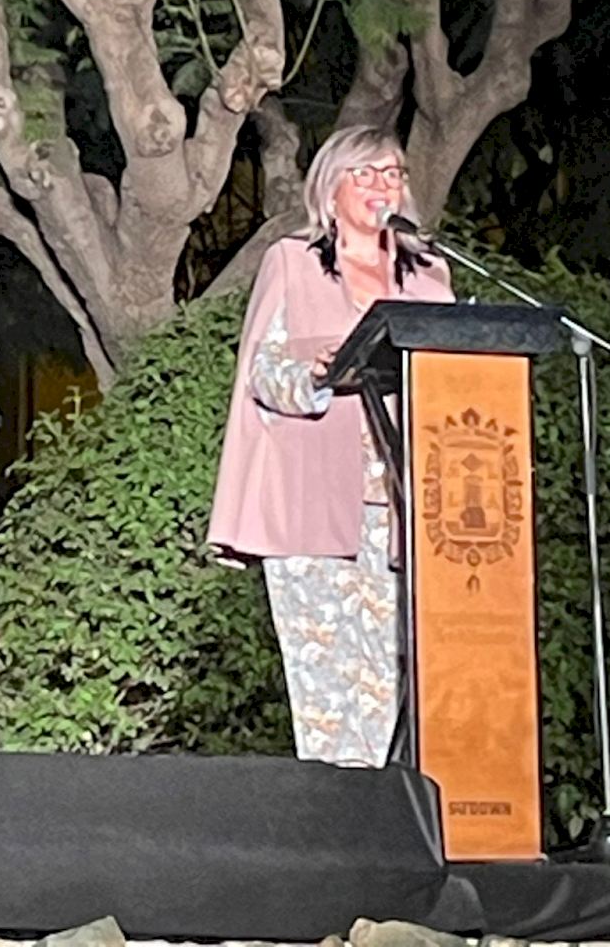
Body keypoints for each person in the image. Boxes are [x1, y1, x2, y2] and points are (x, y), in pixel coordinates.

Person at [208, 125, 454, 769]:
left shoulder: (430, 273)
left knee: (392, 681)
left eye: (392, 173)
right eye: (363, 173)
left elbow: (456, 377)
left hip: (407, 508)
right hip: (311, 503)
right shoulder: (293, 261)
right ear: (330, 187)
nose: (381, 185)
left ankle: (383, 807)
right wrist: (316, 376)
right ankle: (338, 811)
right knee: (327, 690)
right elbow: (263, 372)